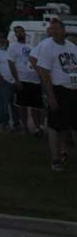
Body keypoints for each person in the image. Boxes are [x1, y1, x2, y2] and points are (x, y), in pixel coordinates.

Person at [32, 17, 77, 172]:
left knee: (70, 125)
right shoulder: (47, 47)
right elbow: (44, 72)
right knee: (55, 126)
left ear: (64, 30)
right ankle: (55, 160)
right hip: (59, 90)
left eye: (58, 28)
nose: (55, 31)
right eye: (53, 29)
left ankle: (67, 152)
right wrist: (51, 96)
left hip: (73, 90)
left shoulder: (72, 46)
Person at [11, 25, 45, 136]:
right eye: (17, 32)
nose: (20, 33)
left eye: (21, 31)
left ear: (25, 33)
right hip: (22, 80)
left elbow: (36, 62)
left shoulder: (31, 46)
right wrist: (16, 80)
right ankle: (25, 127)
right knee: (23, 106)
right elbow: (11, 64)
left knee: (36, 106)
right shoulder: (12, 47)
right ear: (15, 35)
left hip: (34, 80)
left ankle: (37, 127)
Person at [0, 33, 18, 131]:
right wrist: (0, 77)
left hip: (14, 81)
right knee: (4, 105)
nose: (1, 41)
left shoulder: (11, 51)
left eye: (3, 39)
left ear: (7, 40)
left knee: (15, 105)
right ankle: (5, 124)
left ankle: (16, 123)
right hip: (4, 82)